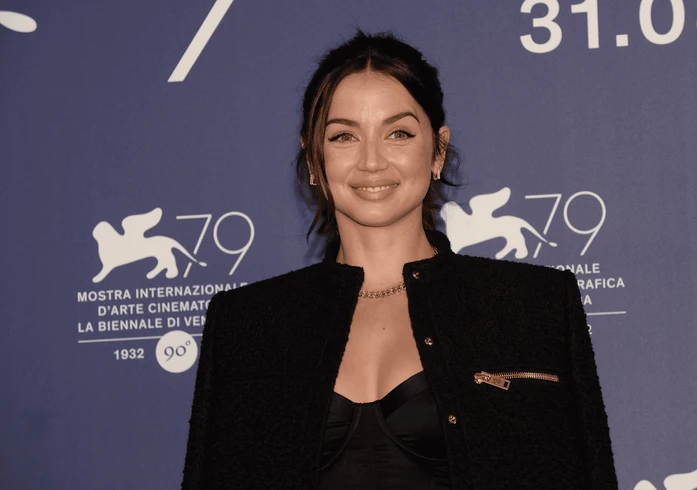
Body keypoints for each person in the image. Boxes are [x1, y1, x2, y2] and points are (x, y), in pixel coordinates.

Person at [181, 29, 618, 489]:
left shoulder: (534, 306)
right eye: (344, 136)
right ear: (313, 158)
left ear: (438, 151)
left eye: (398, 133)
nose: (372, 161)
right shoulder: (246, 324)